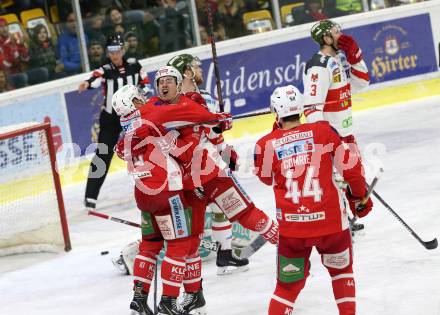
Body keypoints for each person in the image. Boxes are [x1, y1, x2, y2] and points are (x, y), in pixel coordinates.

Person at [115, 66, 279, 314]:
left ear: (180, 83)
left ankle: (285, 244)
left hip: (205, 176)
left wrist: (216, 125)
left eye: (169, 81)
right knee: (190, 242)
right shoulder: (155, 111)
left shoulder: (190, 103)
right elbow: (184, 140)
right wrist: (213, 123)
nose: (163, 86)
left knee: (242, 215)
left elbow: (207, 128)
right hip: (187, 185)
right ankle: (193, 295)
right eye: (160, 82)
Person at [254, 85, 373, 315]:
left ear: (275, 111)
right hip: (331, 227)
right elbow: (352, 171)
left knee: (286, 289)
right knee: (341, 273)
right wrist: (359, 197)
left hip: (293, 231)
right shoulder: (324, 132)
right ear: (301, 108)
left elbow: (266, 178)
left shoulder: (265, 143)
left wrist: (276, 134)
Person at [167, 53, 250, 275]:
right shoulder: (180, 101)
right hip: (187, 168)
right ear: (186, 72)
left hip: (196, 165)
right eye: (196, 66)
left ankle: (223, 253)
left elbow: (212, 132)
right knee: (190, 216)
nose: (200, 70)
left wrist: (222, 138)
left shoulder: (194, 97)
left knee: (217, 206)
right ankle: (180, 260)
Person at [302, 20, 370, 231]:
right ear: (326, 38)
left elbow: (362, 83)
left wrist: (356, 57)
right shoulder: (318, 66)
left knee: (353, 178)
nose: (341, 34)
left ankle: (347, 218)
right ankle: (340, 222)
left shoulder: (339, 59)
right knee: (337, 181)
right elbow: (312, 108)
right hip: (332, 136)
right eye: (336, 32)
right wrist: (326, 136)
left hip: (346, 132)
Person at [78, 34, 149, 211]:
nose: (114, 55)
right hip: (111, 118)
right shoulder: (106, 69)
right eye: (111, 51)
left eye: (117, 50)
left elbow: (146, 83)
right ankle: (90, 197)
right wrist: (86, 83)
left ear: (122, 50)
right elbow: (95, 77)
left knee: (143, 150)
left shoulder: (134, 64)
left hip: (133, 115)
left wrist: (140, 93)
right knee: (103, 154)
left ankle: (150, 187)